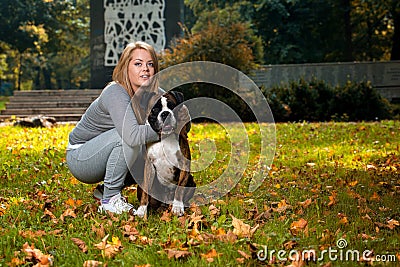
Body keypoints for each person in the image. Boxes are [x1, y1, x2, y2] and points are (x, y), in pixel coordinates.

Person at [66, 41, 189, 214]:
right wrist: (170, 127)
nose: (145, 69)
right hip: (82, 157)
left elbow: (181, 115)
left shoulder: (156, 94)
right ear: (125, 68)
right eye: (138, 64)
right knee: (129, 136)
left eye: (150, 64)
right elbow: (131, 136)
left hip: (108, 151)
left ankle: (102, 191)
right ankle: (109, 199)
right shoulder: (115, 92)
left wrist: (180, 118)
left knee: (149, 150)